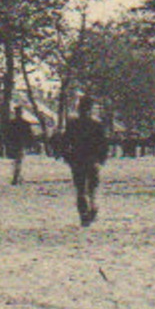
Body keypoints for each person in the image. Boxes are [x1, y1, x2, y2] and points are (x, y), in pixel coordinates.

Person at [59, 95, 108, 227]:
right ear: (90, 109)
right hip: (92, 159)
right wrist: (102, 158)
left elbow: (65, 142)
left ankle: (84, 213)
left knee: (80, 188)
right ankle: (92, 207)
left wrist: (67, 157)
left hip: (77, 159)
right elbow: (103, 143)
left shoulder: (73, 124)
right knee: (92, 187)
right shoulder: (96, 124)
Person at [6, 110, 34, 185]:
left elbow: (7, 134)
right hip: (20, 144)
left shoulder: (12, 123)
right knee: (18, 160)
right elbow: (29, 134)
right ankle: (17, 176)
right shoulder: (25, 123)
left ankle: (16, 176)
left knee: (16, 160)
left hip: (15, 143)